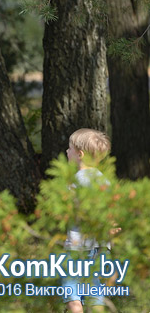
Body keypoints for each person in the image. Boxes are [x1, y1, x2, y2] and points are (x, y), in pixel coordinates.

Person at [61, 128, 117, 313]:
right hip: (99, 247)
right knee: (95, 290)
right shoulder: (104, 181)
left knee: (72, 291)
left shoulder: (77, 180)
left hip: (78, 246)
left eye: (69, 149)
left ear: (80, 154)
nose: (66, 152)